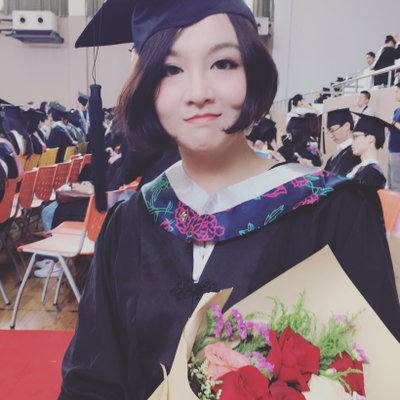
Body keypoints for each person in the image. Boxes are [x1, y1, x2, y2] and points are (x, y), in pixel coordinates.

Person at [60, 1, 400, 399]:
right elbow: (91, 381)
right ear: (147, 85)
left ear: (253, 72)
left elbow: (374, 375)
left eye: (223, 64)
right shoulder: (129, 223)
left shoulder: (334, 212)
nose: (198, 93)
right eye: (171, 69)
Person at [347, 113, 387, 191]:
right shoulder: (358, 168)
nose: (352, 142)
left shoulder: (373, 173)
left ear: (370, 138)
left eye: (356, 137)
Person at [324, 108, 361, 176]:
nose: (331, 136)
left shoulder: (354, 153)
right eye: (329, 132)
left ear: (347, 126)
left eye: (333, 130)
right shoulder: (336, 154)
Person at [388, 82, 400, 191]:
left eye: (397, 92)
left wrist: (394, 123)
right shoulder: (397, 110)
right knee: (390, 181)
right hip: (392, 149)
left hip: (398, 151)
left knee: (396, 182)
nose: (395, 94)